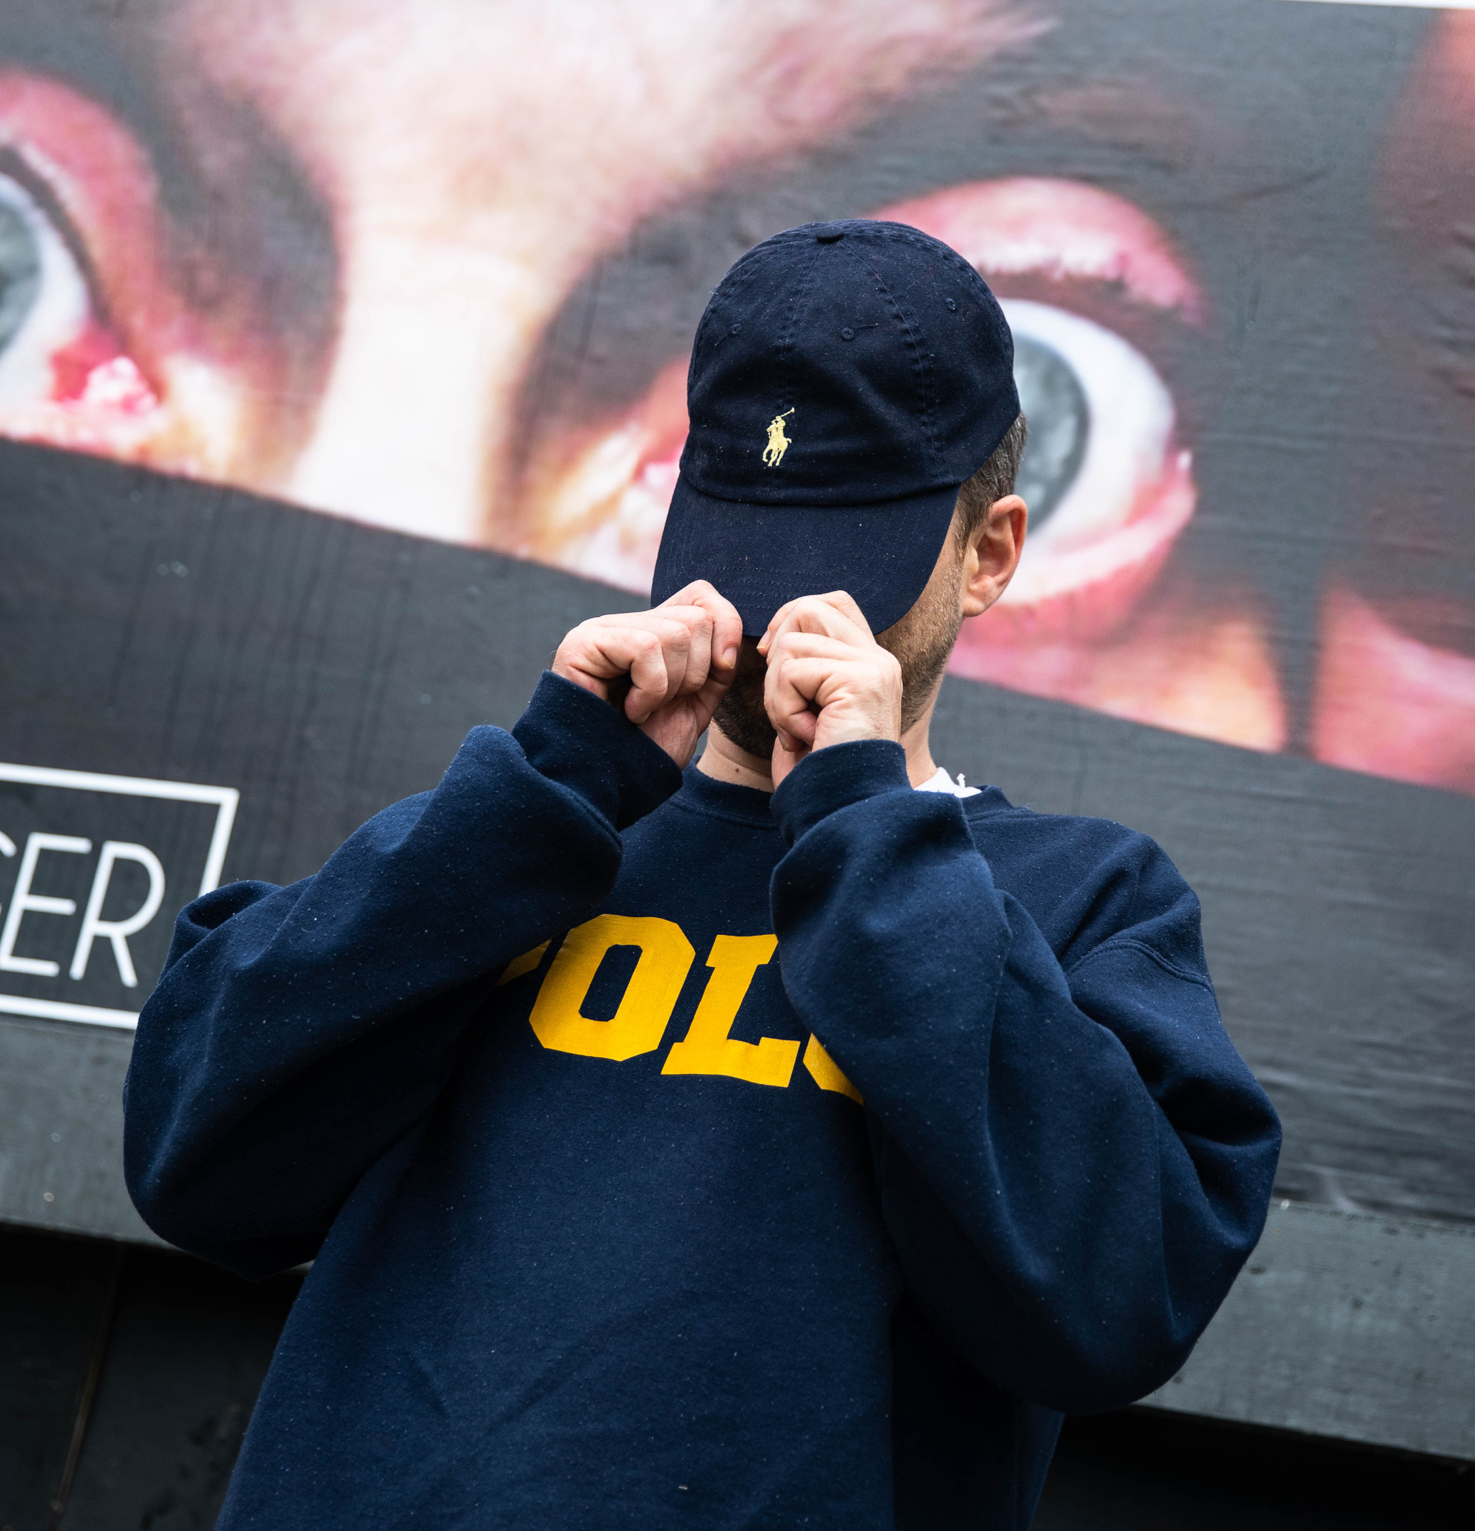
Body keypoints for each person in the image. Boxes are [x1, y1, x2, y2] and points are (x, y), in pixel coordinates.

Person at [123, 221, 1280, 1530]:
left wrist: (862, 823)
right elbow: (197, 1166)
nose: (782, 613)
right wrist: (550, 784)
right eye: (744, 545)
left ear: (992, 553)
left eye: (852, 566)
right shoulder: (530, 829)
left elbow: (1115, 1307)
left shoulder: (1081, 899)